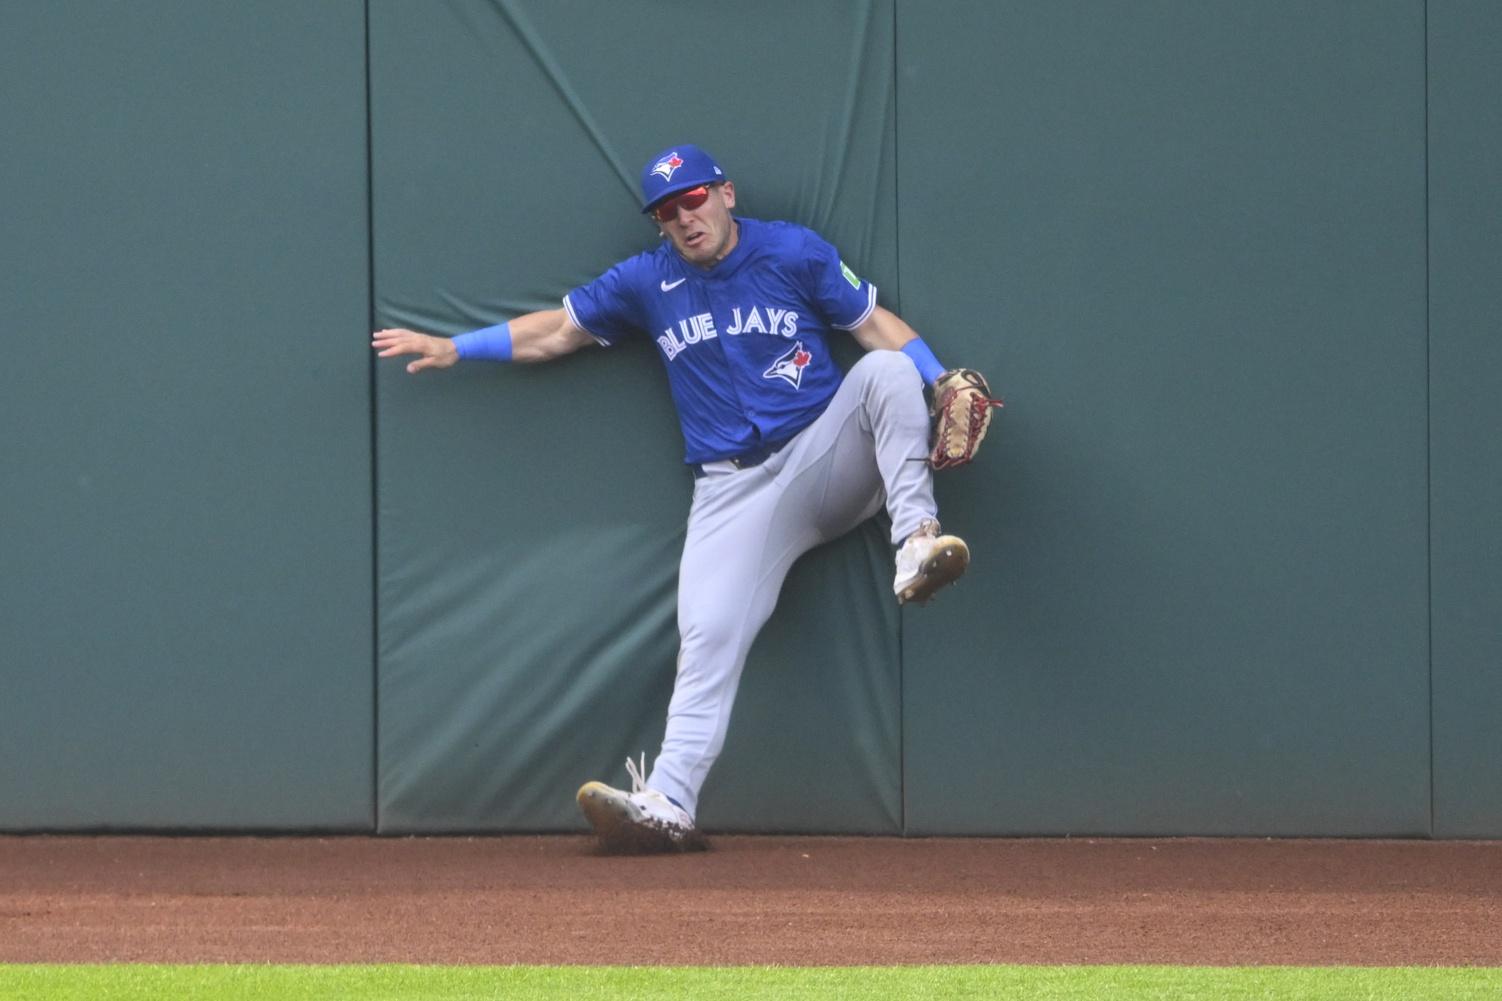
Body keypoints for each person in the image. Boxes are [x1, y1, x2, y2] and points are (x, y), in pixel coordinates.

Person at [372, 144, 977, 854]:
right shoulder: (646, 280)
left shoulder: (793, 250)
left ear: (724, 192)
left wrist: (939, 379)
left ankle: (914, 542)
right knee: (707, 636)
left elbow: (875, 324)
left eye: (692, 200)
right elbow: (557, 330)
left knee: (884, 371)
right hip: (732, 492)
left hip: (825, 455)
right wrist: (455, 348)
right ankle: (670, 801)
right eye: (667, 211)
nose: (684, 218)